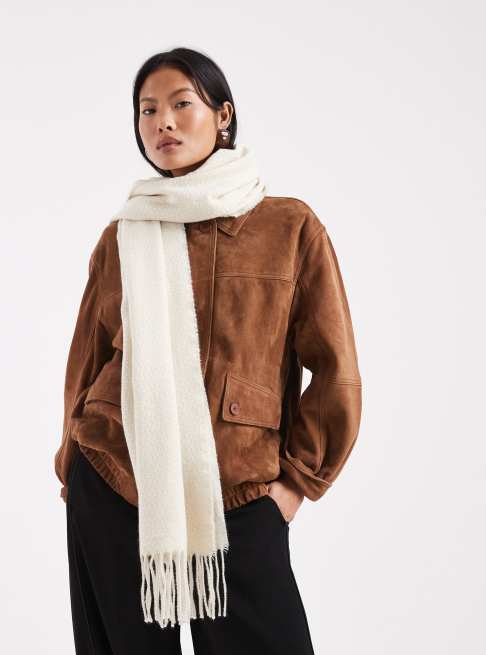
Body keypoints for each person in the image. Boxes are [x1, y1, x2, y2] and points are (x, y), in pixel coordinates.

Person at [55, 46, 363, 654]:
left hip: (241, 492)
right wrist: (73, 465)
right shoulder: (125, 233)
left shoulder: (288, 226)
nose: (162, 122)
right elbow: (86, 361)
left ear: (224, 115)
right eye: (148, 110)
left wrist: (297, 483)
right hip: (114, 477)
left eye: (180, 104)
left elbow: (336, 369)